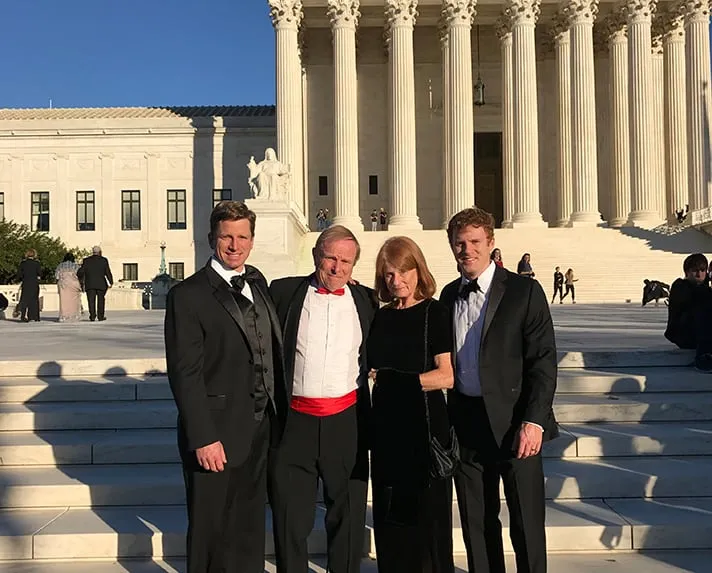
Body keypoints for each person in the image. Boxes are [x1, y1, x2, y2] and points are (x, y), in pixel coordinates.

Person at [165, 201, 288, 573]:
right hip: (215, 433)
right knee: (210, 530)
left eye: (242, 237)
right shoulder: (187, 295)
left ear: (252, 240)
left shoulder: (258, 282)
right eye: (227, 237)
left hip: (261, 427)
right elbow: (185, 373)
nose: (235, 245)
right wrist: (202, 436)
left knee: (249, 528)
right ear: (211, 239)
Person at [440, 207, 558, 573]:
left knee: (526, 524)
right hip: (466, 423)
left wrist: (534, 422)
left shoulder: (524, 291)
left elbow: (543, 361)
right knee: (477, 523)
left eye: (475, 242)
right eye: (459, 243)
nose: (467, 250)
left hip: (515, 422)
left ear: (491, 243)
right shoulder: (447, 296)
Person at [269, 225, 378, 573]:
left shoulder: (368, 300)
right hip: (294, 423)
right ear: (317, 255)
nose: (337, 268)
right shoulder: (283, 292)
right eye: (331, 258)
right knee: (290, 516)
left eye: (346, 261)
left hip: (346, 422)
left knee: (346, 514)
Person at [367, 236, 455, 573]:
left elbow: (446, 376)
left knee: (426, 526)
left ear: (418, 269)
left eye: (404, 272)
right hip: (388, 429)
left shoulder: (436, 313)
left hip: (425, 428)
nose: (397, 281)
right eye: (389, 275)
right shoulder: (383, 317)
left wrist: (398, 381)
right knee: (391, 523)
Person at [664, 253, 712, 372]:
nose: (699, 274)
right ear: (687, 272)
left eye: (702, 270)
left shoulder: (705, 288)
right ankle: (703, 357)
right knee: (703, 308)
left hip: (701, 333)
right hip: (683, 333)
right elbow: (695, 299)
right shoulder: (680, 286)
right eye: (694, 271)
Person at [77, 246, 113, 322]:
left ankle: (92, 316)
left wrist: (79, 277)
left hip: (90, 284)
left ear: (92, 252)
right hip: (101, 284)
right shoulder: (104, 260)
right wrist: (111, 281)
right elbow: (107, 272)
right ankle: (100, 316)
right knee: (101, 300)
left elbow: (81, 272)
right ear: (100, 252)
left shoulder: (86, 260)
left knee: (91, 301)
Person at [55, 253, 82, 322]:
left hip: (63, 285)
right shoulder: (76, 266)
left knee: (64, 301)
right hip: (74, 284)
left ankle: (64, 316)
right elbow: (80, 275)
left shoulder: (60, 266)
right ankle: (74, 316)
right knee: (74, 301)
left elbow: (57, 276)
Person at [17, 249, 42, 322]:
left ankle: (23, 316)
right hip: (34, 283)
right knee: (34, 300)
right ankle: (34, 317)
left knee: (24, 300)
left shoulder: (23, 263)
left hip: (26, 283)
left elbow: (19, 274)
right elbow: (39, 273)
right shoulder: (37, 263)